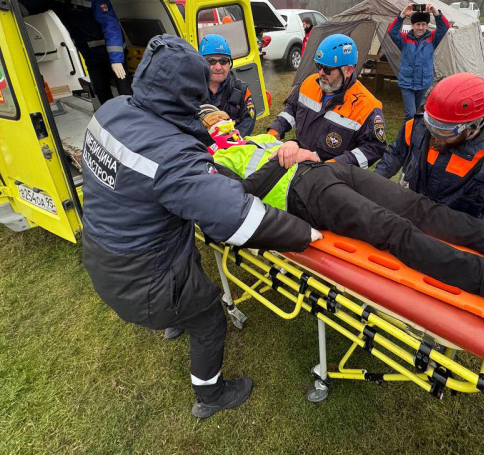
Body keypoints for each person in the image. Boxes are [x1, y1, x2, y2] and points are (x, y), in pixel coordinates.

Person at [80, 34, 321, 419]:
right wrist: (307, 235)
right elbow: (240, 218)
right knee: (208, 314)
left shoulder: (112, 111)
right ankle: (210, 394)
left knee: (185, 261)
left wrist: (273, 163)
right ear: (188, 95)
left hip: (101, 253)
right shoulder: (171, 156)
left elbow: (209, 187)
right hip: (142, 280)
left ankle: (175, 320)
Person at [200, 118, 484, 313]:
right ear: (206, 137)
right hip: (306, 195)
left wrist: (300, 151)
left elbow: (290, 150)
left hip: (328, 170)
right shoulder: (214, 163)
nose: (221, 124)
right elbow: (236, 200)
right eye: (211, 124)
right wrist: (279, 163)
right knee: (393, 229)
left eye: (220, 118)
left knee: (420, 207)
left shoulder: (255, 135)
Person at [376, 73, 484, 225]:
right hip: (412, 214)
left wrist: (474, 231)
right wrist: (374, 182)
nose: (434, 136)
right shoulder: (417, 127)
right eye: (431, 125)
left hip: (454, 234)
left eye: (443, 131)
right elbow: (395, 154)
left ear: (473, 126)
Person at [267, 34, 387, 169]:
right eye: (319, 66)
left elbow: (373, 148)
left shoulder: (367, 107)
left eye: (328, 69)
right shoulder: (309, 83)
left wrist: (330, 166)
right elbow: (291, 109)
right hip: (298, 164)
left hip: (332, 176)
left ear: (348, 70)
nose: (321, 73)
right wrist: (274, 132)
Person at [20, 0, 130, 105]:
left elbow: (111, 26)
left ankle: (133, 119)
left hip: (111, 53)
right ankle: (111, 119)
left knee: (124, 90)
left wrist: (116, 60)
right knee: (100, 90)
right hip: (90, 55)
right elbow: (26, 6)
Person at [388, 2, 450, 121]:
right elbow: (392, 31)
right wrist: (402, 15)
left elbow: (444, 27)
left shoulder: (432, 38)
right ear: (412, 25)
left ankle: (413, 135)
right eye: (417, 24)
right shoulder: (404, 39)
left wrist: (435, 12)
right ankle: (405, 138)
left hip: (423, 83)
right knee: (410, 114)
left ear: (427, 25)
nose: (420, 27)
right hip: (407, 83)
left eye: (423, 24)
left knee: (416, 113)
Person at [199, 34, 256, 137]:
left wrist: (230, 140)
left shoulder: (241, 90)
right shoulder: (190, 90)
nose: (218, 67)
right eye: (211, 61)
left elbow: (248, 121)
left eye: (223, 61)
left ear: (230, 64)